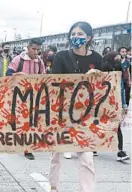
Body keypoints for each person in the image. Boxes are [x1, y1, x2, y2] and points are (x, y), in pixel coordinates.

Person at [50, 21, 102, 192]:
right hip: (62, 112)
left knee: (87, 157)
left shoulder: (97, 59)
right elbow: (53, 83)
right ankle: (54, 186)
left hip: (86, 114)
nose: (75, 37)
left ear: (88, 38)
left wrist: (98, 75)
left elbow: (104, 86)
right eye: (73, 34)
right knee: (56, 154)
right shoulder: (61, 57)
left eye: (80, 35)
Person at [6, 38, 46, 161]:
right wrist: (17, 75)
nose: (36, 52)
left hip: (34, 95)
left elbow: (44, 77)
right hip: (19, 95)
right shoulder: (18, 60)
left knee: (30, 121)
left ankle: (27, 147)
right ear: (28, 48)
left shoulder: (39, 62)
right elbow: (8, 74)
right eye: (33, 49)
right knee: (22, 121)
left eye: (38, 50)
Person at [101, 51, 130, 161]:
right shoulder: (102, 73)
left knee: (117, 127)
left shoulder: (119, 74)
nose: (118, 61)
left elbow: (121, 90)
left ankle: (120, 151)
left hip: (115, 104)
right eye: (116, 59)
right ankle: (93, 147)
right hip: (102, 104)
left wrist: (124, 105)